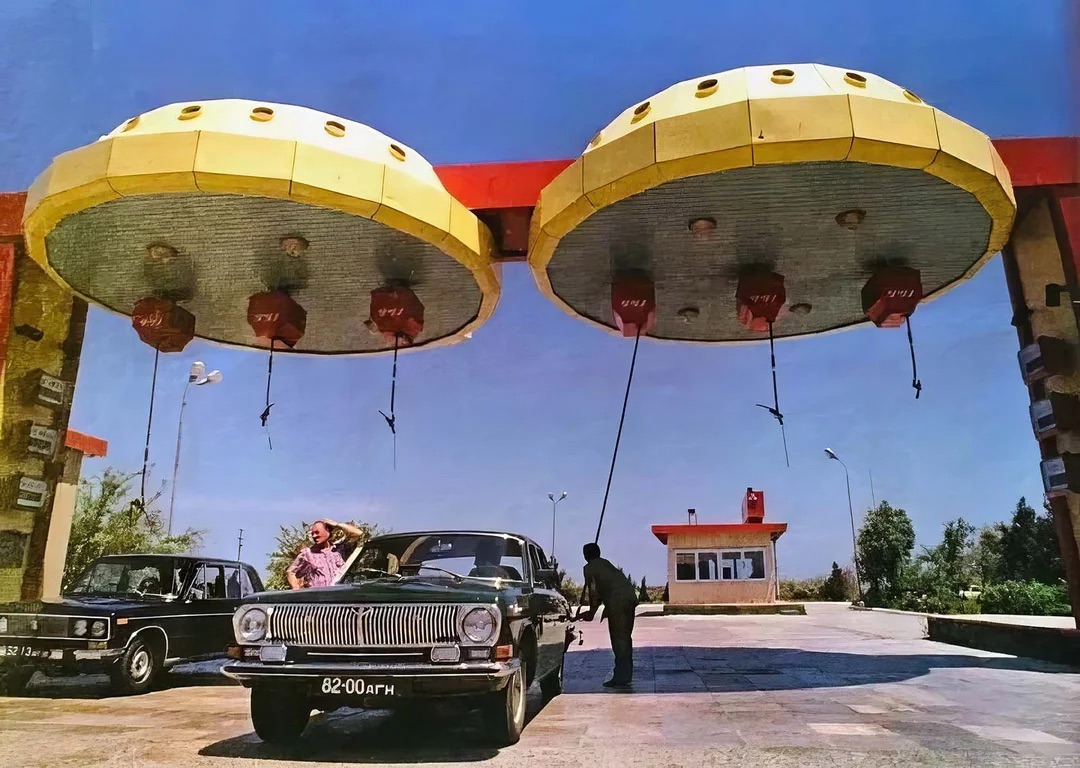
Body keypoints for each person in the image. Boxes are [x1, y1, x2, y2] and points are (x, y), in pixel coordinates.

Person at [577, 542, 638, 688]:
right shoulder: (605, 563)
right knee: (624, 637)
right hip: (629, 598)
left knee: (619, 639)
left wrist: (591, 612)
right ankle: (625, 674)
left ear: (586, 555)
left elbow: (594, 592)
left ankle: (621, 677)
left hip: (618, 602)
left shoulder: (589, 568)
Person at [287, 519, 365, 589]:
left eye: (317, 532)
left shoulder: (339, 549)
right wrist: (296, 589)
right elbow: (291, 572)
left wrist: (336, 525)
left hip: (340, 597)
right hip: (319, 600)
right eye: (312, 533)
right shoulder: (308, 553)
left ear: (327, 531)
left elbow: (359, 533)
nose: (314, 536)